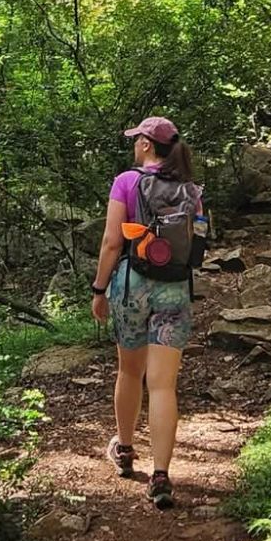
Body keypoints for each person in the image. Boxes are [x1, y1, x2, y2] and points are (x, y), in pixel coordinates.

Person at [90, 115, 205, 510]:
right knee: (162, 385)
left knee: (129, 371)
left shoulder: (126, 181)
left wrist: (99, 289)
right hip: (175, 288)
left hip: (131, 285)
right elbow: (197, 248)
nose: (134, 143)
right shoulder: (191, 189)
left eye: (136, 138)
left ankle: (124, 450)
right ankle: (160, 476)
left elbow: (111, 242)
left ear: (145, 144)